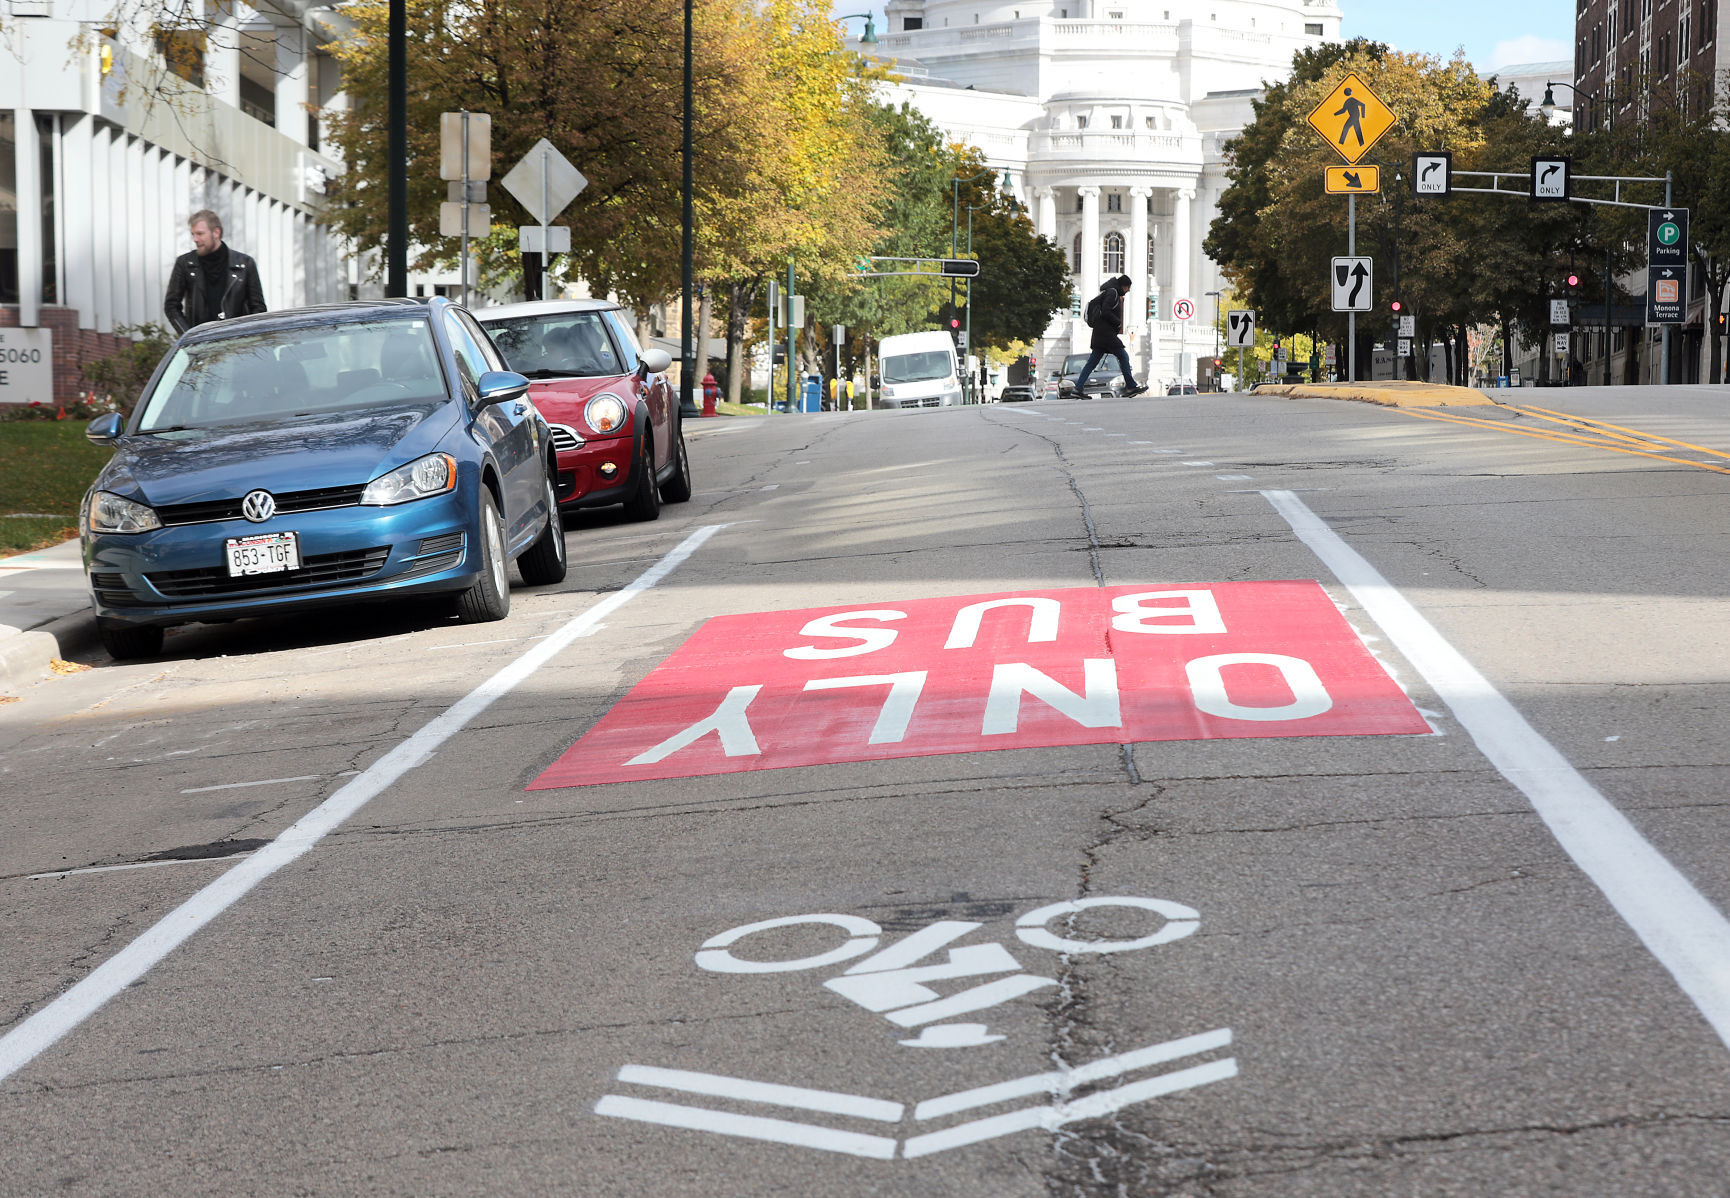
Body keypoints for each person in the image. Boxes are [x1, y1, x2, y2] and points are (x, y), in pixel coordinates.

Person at [163, 209, 267, 334]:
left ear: (216, 232)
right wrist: (190, 337)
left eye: (200, 234)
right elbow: (171, 306)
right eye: (193, 234)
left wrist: (245, 336)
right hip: (201, 347)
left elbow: (259, 308)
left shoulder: (245, 264)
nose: (195, 239)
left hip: (238, 345)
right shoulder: (185, 264)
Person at [1075, 275, 1147, 397]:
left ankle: (1078, 388)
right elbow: (1106, 310)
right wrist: (1117, 322)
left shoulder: (1109, 291)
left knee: (1092, 362)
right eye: (1128, 288)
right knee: (1123, 356)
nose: (1128, 291)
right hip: (1106, 334)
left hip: (1100, 334)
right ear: (1124, 286)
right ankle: (1131, 386)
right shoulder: (1112, 292)